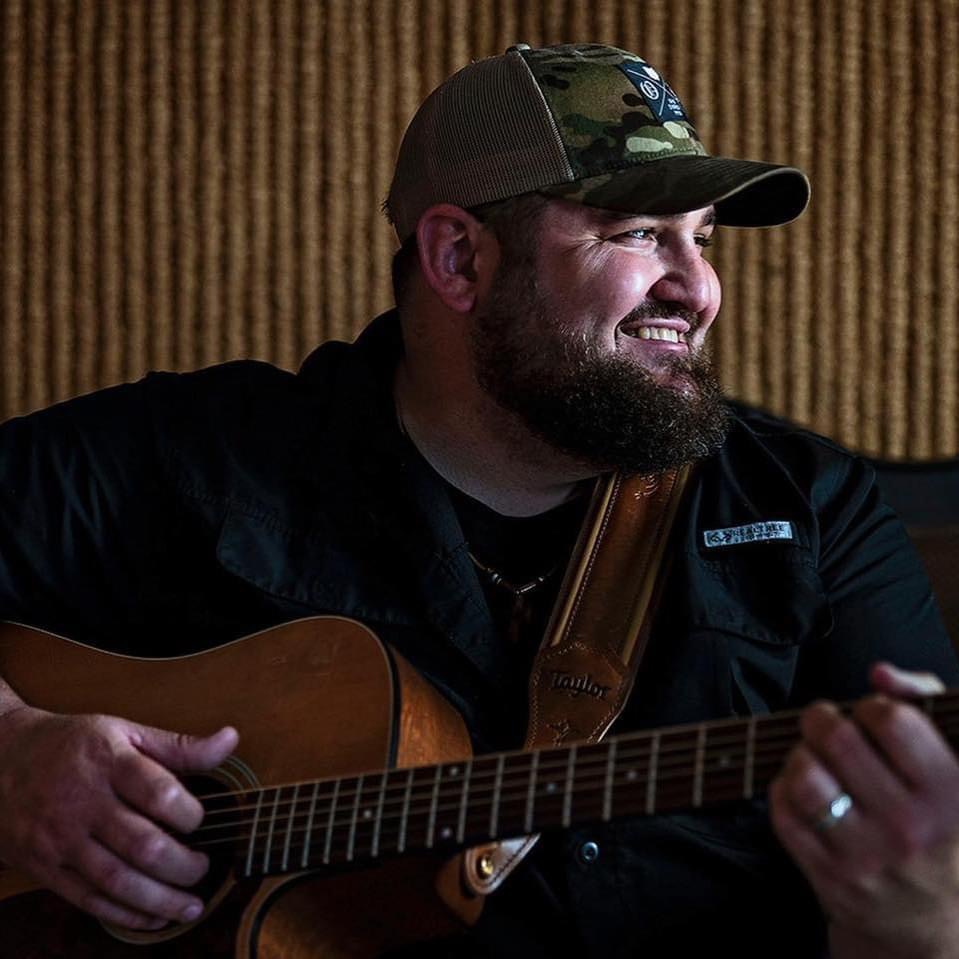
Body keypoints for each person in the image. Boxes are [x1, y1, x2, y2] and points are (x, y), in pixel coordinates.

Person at [0, 40, 957, 958]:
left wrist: (913, 922)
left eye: (702, 240)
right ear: (459, 259)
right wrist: (17, 754)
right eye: (638, 234)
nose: (698, 287)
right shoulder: (209, 457)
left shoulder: (813, 509)